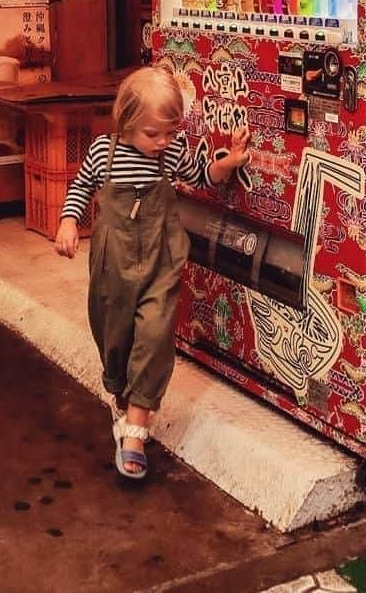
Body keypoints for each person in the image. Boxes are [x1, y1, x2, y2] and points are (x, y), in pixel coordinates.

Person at [54, 66, 251, 481]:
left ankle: (137, 429)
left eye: (169, 131)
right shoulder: (102, 152)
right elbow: (79, 188)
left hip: (161, 257)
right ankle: (120, 392)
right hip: (113, 263)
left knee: (155, 333)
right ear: (125, 122)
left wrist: (228, 162)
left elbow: (202, 177)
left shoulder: (171, 152)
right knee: (114, 332)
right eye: (152, 134)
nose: (162, 141)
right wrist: (69, 222)